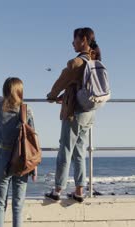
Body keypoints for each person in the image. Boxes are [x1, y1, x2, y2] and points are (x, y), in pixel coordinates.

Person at [45, 27, 101, 202]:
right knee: (79, 150)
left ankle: (57, 190)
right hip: (89, 112)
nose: (72, 43)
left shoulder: (76, 62)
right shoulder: (95, 59)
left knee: (65, 150)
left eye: (75, 39)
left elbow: (60, 82)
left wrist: (52, 97)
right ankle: (79, 190)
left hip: (75, 112)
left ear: (83, 39)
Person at [0, 77, 37, 227]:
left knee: (0, 203)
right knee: (18, 204)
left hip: (4, 156)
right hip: (22, 160)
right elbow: (32, 141)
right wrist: (34, 167)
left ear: (5, 91)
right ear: (20, 91)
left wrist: (4, 97)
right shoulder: (26, 110)